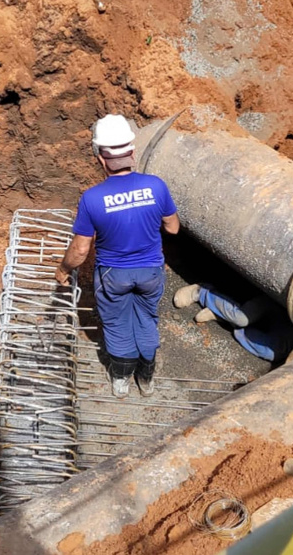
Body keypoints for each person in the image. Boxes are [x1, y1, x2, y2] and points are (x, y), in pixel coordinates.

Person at [55, 114, 180, 398]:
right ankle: (146, 380)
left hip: (114, 274)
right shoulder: (157, 186)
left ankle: (122, 380)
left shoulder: (92, 198)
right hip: (151, 271)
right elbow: (172, 228)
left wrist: (62, 270)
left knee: (117, 324)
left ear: (100, 157)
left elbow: (80, 250)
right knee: (147, 318)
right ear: (132, 152)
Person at [173, 284, 293, 362]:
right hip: (279, 298)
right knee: (241, 318)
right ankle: (200, 292)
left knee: (272, 353)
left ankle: (223, 315)